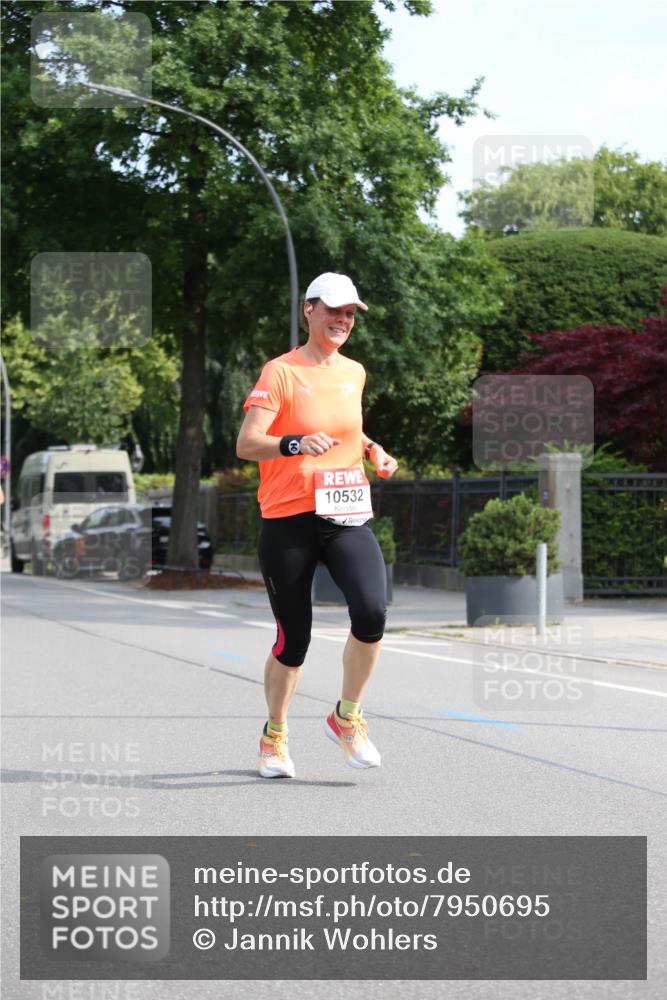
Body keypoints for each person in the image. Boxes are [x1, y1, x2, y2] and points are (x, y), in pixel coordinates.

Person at [236, 272, 398, 778]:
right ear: (309, 310)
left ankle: (347, 718)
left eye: (350, 313)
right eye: (333, 310)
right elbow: (247, 443)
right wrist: (293, 443)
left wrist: (372, 448)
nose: (342, 320)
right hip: (288, 518)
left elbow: (347, 423)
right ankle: (274, 737)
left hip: (345, 512)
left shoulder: (354, 372)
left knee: (372, 611)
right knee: (295, 639)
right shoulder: (279, 372)